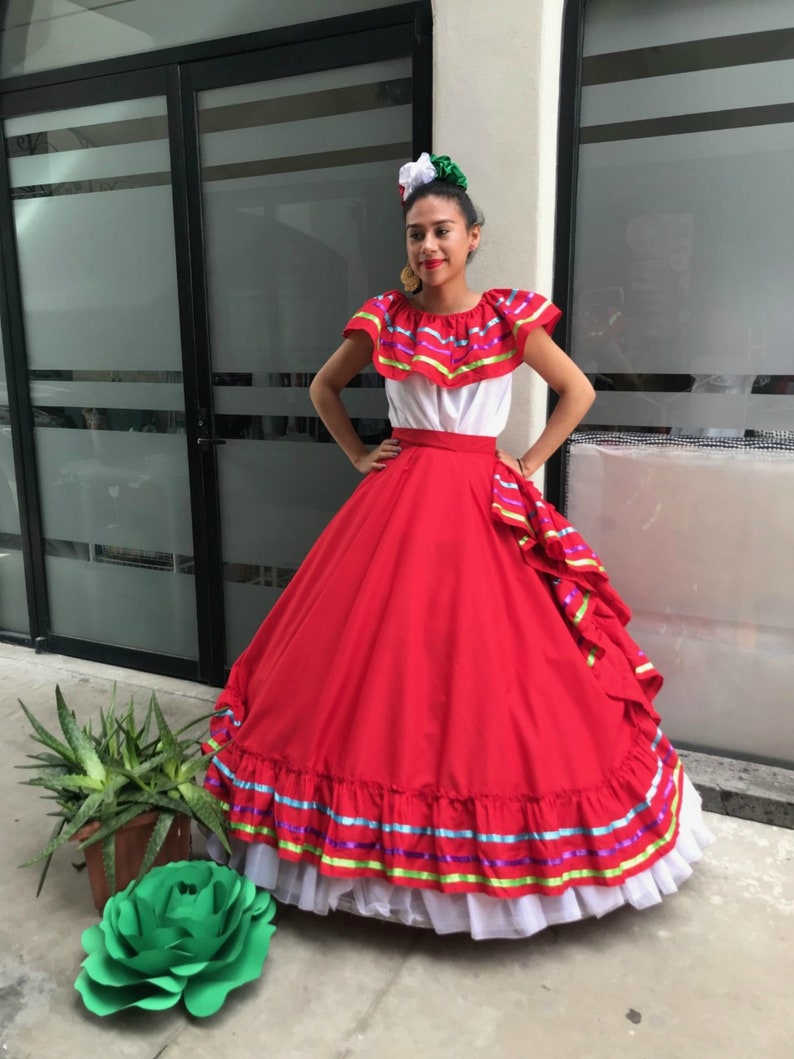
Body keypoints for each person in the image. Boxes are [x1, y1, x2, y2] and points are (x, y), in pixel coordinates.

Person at [203, 153, 712, 940]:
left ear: (473, 237)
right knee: (372, 668)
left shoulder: (508, 316)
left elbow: (579, 391)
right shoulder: (385, 317)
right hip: (396, 504)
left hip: (482, 504)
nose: (427, 246)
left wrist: (530, 461)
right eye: (415, 233)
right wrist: (357, 452)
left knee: (489, 677)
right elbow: (322, 389)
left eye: (442, 231)